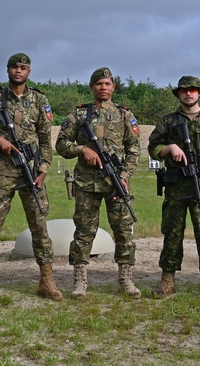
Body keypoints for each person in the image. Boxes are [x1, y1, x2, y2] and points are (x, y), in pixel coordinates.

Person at [0, 52, 61, 302]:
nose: (18, 71)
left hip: (31, 171)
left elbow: (45, 139)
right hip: (2, 170)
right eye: (14, 67)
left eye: (23, 67)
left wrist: (43, 170)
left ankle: (47, 279)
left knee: (39, 226)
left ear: (29, 72)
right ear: (8, 70)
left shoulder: (39, 99)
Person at [56, 67, 142, 300]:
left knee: (124, 232)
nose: (103, 87)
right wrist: (82, 149)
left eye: (107, 83)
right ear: (92, 87)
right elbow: (61, 144)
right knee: (84, 233)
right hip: (87, 183)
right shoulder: (79, 115)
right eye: (98, 84)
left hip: (116, 184)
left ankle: (125, 279)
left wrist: (124, 177)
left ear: (113, 87)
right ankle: (80, 281)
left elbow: (134, 149)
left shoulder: (125, 115)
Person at [148, 75, 200, 300]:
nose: (188, 93)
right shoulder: (168, 121)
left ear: (199, 93)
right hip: (176, 185)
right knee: (172, 232)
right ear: (179, 94)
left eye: (193, 90)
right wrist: (170, 147)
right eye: (184, 91)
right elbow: (153, 147)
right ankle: (167, 281)